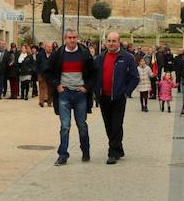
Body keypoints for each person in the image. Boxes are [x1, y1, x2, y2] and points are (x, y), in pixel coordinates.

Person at [48, 29, 95, 165]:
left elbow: (93, 73)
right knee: (65, 126)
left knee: (82, 125)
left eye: (74, 37)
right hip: (64, 94)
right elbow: (48, 72)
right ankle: (63, 155)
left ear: (77, 38)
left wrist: (86, 87)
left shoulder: (85, 54)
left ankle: (85, 151)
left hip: (80, 94)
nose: (72, 40)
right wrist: (57, 85)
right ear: (65, 39)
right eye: (70, 38)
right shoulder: (58, 54)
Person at [93, 31, 139, 164]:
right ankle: (118, 148)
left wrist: (126, 92)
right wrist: (96, 91)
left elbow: (134, 77)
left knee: (116, 124)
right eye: (109, 41)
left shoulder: (127, 57)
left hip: (118, 97)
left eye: (114, 41)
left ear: (119, 42)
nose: (111, 43)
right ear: (106, 42)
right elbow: (95, 75)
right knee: (108, 125)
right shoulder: (100, 57)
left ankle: (112, 152)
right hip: (104, 97)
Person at [35, 42, 53, 108]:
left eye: (51, 47)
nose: (50, 48)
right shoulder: (40, 55)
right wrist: (38, 74)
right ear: (45, 47)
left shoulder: (54, 54)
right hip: (42, 74)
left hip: (51, 75)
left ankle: (49, 102)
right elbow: (37, 65)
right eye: (48, 47)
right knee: (42, 87)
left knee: (50, 89)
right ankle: (41, 101)